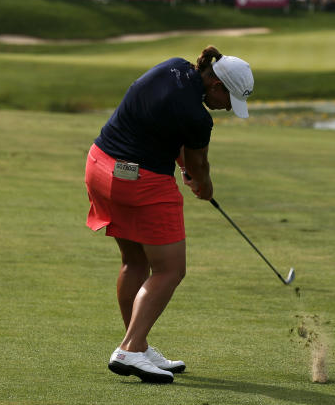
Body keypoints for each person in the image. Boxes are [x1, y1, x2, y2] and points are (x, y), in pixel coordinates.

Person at [84, 46, 254, 383]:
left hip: (100, 166)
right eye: (228, 101)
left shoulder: (173, 68)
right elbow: (198, 166)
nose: (225, 109)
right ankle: (130, 349)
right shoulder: (198, 117)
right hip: (140, 183)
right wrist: (204, 187)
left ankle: (138, 344)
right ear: (217, 86)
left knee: (134, 262)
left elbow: (164, 126)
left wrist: (184, 167)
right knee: (170, 269)